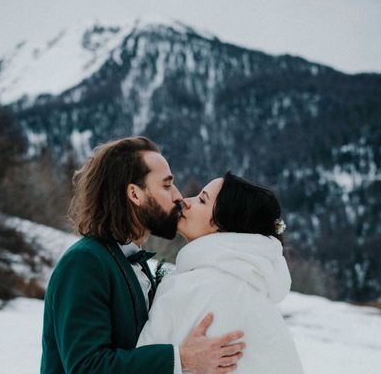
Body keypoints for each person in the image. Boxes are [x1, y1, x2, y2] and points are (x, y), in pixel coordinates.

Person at [41, 137, 246, 374]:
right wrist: (180, 359)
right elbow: (86, 367)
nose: (178, 196)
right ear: (135, 194)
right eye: (167, 185)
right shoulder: (85, 262)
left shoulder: (131, 262)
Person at [138, 172, 305, 374]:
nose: (186, 201)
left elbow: (143, 363)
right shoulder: (249, 293)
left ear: (225, 225)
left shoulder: (194, 287)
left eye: (202, 200)